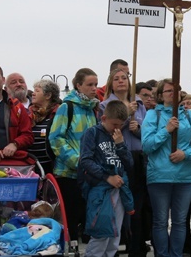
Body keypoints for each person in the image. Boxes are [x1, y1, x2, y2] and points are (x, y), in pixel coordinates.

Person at [142, 78, 191, 257]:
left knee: (179, 221)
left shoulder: (188, 115)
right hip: (159, 176)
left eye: (176, 90)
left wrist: (185, 154)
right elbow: (147, 145)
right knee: (160, 221)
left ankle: (176, 254)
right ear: (161, 95)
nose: (173, 93)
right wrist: (166, 130)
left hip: (184, 176)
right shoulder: (153, 115)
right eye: (169, 91)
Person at [99, 68, 149, 257]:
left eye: (124, 78)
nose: (121, 81)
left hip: (137, 155)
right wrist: (127, 115)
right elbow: (107, 132)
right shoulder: (106, 105)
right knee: (116, 203)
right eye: (116, 78)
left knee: (136, 203)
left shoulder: (138, 103)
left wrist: (138, 129)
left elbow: (146, 133)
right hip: (116, 156)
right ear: (111, 83)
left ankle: (136, 246)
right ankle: (114, 245)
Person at [48, 67, 99, 243]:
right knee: (69, 221)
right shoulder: (66, 107)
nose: (94, 88)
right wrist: (77, 161)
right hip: (68, 174)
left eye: (96, 85)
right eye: (89, 84)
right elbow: (56, 138)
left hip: (89, 175)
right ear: (78, 85)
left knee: (86, 223)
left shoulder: (92, 109)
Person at [78, 100, 135, 257]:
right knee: (101, 231)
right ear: (103, 119)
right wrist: (107, 177)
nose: (117, 129)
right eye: (114, 124)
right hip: (100, 190)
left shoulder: (119, 137)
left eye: (121, 125)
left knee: (115, 235)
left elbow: (129, 164)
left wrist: (121, 145)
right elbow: (85, 161)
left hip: (119, 189)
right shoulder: (92, 133)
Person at [28, 79, 62, 174]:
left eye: (37, 91)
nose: (33, 94)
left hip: (51, 168)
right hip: (31, 166)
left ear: (48, 95)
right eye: (33, 91)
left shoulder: (59, 114)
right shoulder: (29, 114)